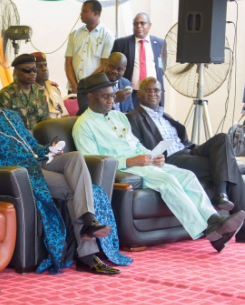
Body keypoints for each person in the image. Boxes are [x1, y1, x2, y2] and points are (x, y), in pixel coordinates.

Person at [0, 68, 133, 275]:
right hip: (19, 171)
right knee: (79, 191)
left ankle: (89, 220)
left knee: (75, 157)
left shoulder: (10, 115)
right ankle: (87, 253)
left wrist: (50, 148)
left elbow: (32, 146)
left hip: (38, 162)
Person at [72, 72, 245, 253]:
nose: (111, 101)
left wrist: (153, 155)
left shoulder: (118, 116)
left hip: (143, 162)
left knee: (187, 175)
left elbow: (136, 144)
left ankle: (213, 221)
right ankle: (210, 227)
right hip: (127, 169)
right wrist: (130, 161)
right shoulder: (83, 125)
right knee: (167, 181)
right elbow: (91, 161)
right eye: (105, 96)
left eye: (112, 96)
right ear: (90, 96)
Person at [127, 76, 245, 243]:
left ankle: (222, 193)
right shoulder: (132, 117)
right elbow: (137, 146)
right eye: (148, 90)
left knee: (223, 138)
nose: (153, 93)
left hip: (188, 150)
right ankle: (224, 198)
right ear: (138, 94)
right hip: (170, 159)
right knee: (229, 163)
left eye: (156, 90)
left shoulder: (164, 115)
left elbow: (183, 139)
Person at [111, 13, 165, 108]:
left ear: (149, 25)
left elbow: (162, 67)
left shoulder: (160, 43)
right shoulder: (122, 43)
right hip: (131, 93)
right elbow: (113, 68)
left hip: (152, 94)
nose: (138, 26)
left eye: (142, 23)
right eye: (135, 24)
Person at [65, 0, 115, 94]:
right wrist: (75, 85)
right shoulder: (74, 34)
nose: (81, 14)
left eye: (84, 11)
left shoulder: (107, 35)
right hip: (74, 88)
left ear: (95, 13)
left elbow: (105, 64)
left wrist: (86, 84)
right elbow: (68, 63)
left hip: (94, 88)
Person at [0, 54, 50, 131]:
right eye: (27, 70)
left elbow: (46, 121)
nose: (32, 73)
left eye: (35, 70)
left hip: (38, 139)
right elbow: (6, 125)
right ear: (16, 72)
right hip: (17, 139)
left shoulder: (40, 92)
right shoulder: (7, 94)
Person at [30, 52, 69, 119]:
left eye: (45, 65)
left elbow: (64, 114)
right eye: (39, 66)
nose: (44, 69)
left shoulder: (53, 88)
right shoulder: (28, 91)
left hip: (59, 125)